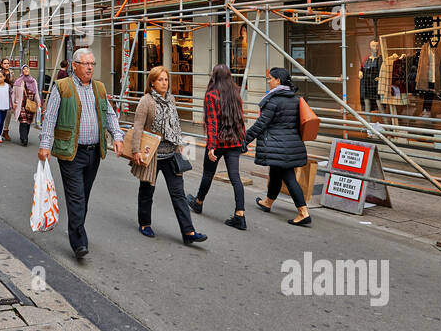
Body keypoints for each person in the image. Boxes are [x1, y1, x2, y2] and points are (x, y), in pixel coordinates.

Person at [36, 48, 125, 259]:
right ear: (74, 66)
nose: (90, 67)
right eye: (86, 64)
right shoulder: (62, 87)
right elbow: (50, 117)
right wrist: (45, 145)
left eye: (92, 64)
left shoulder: (99, 88)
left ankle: (77, 228)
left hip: (94, 152)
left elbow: (110, 114)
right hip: (70, 152)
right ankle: (79, 242)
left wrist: (118, 136)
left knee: (84, 195)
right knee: (76, 196)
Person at [128, 66, 207, 244]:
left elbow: (176, 125)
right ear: (153, 83)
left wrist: (180, 146)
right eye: (160, 80)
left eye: (166, 80)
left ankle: (189, 232)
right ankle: (145, 223)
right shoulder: (146, 101)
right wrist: (136, 151)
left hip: (171, 154)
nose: (164, 83)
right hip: (152, 156)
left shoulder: (170, 99)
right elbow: (138, 127)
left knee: (178, 193)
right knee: (147, 191)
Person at [246, 66, 312, 226]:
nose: (268, 81)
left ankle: (303, 212)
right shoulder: (295, 98)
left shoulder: (274, 100)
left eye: (270, 79)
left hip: (279, 145)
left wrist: (244, 139)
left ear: (278, 80)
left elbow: (261, 124)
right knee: (275, 172)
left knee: (289, 178)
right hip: (290, 144)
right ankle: (268, 201)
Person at [188, 63, 249, 230]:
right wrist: (242, 138)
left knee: (208, 173)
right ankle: (240, 215)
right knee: (235, 177)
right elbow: (240, 118)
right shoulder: (235, 92)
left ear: (213, 77)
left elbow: (213, 123)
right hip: (235, 141)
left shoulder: (211, 95)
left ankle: (198, 202)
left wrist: (212, 146)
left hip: (219, 142)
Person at [10, 63, 41, 146]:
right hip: (21, 105)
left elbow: (36, 93)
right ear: (22, 71)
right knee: (23, 121)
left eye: (27, 69)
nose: (26, 70)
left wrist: (38, 102)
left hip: (30, 104)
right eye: (24, 69)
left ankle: (24, 136)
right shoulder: (18, 81)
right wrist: (13, 103)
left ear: (29, 70)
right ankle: (24, 139)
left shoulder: (33, 81)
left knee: (28, 122)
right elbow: (13, 93)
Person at [0, 59, 15, 141]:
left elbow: (14, 83)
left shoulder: (11, 73)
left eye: (8, 63)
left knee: (8, 113)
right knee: (0, 115)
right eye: (5, 63)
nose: (7, 65)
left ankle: (6, 130)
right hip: (0, 95)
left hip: (9, 95)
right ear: (1, 64)